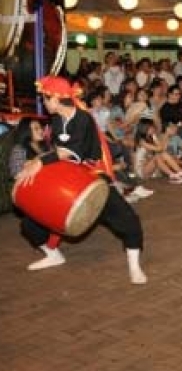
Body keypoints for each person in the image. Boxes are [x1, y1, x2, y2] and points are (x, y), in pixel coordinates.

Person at [14, 76, 147, 284]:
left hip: (92, 177)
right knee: (30, 225)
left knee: (128, 221)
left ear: (56, 99)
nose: (44, 103)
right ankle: (53, 255)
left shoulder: (83, 118)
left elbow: (69, 152)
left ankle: (134, 266)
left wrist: (39, 163)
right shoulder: (57, 119)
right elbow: (57, 152)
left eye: (45, 99)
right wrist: (35, 163)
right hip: (67, 178)